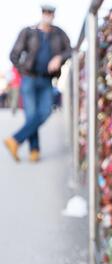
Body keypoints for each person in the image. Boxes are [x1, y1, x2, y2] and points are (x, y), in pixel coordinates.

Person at [4, 4, 71, 162]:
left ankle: (15, 140)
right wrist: (23, 70)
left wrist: (59, 58)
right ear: (42, 14)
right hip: (29, 79)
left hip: (47, 79)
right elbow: (14, 55)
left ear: (53, 15)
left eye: (50, 13)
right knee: (31, 115)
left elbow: (70, 50)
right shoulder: (28, 32)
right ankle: (35, 151)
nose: (47, 15)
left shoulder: (59, 33)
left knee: (45, 111)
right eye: (45, 12)